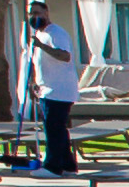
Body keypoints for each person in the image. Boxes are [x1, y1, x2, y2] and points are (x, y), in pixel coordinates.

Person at [25, 11, 86, 175]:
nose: (34, 17)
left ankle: (52, 166)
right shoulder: (40, 34)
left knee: (53, 129)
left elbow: (65, 56)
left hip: (59, 91)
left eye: (37, 13)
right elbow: (37, 62)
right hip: (47, 90)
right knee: (57, 128)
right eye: (31, 13)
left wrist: (42, 46)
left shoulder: (56, 33)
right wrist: (33, 82)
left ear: (46, 14)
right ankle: (68, 165)